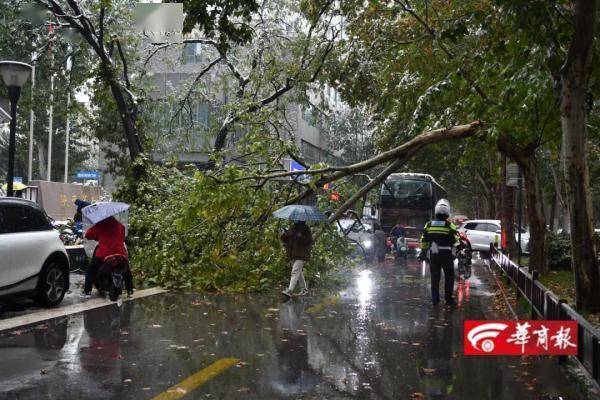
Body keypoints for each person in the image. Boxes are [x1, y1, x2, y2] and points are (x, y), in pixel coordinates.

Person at [419, 199, 459, 306]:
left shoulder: (428, 225)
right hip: (447, 254)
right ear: (447, 212)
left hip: (434, 253)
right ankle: (448, 299)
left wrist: (423, 253)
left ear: (436, 211)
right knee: (449, 277)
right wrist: (454, 254)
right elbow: (456, 242)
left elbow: (424, 240)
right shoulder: (450, 226)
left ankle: (435, 300)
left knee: (435, 278)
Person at [83, 216, 133, 297]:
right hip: (120, 254)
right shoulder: (121, 226)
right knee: (127, 270)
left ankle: (87, 291)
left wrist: (97, 236)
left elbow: (88, 235)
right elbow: (122, 238)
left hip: (103, 254)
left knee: (91, 270)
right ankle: (130, 290)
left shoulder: (100, 224)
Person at [280, 220, 313, 299]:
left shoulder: (306, 228)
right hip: (292, 254)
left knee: (295, 271)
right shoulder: (293, 227)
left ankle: (290, 290)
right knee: (298, 272)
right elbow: (285, 239)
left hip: (302, 254)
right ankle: (304, 289)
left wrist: (301, 236)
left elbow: (310, 241)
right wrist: (284, 233)